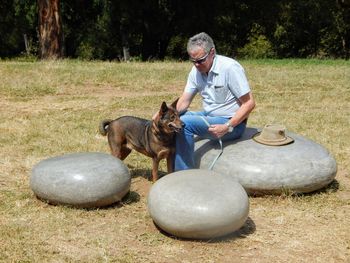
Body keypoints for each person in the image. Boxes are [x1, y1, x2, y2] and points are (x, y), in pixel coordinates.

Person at [174, 32, 255, 171]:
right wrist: (162, 114)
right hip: (210, 117)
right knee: (175, 119)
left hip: (232, 124)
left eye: (200, 60)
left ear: (212, 52)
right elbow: (183, 102)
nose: (197, 65)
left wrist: (227, 126)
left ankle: (183, 175)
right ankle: (172, 164)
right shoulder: (195, 72)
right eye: (193, 61)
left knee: (185, 124)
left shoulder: (230, 68)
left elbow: (249, 103)